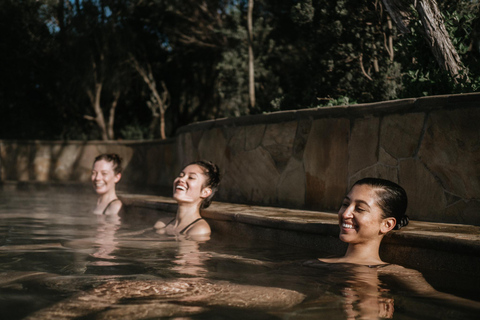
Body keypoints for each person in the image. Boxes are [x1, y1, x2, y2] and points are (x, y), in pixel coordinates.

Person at [305, 177, 479, 318]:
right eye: (345, 204)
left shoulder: (394, 271)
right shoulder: (315, 263)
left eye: (360, 208)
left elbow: (435, 297)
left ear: (387, 224)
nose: (345, 213)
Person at [154, 160, 220, 237]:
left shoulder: (199, 230)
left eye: (191, 177)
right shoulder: (162, 223)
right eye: (181, 175)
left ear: (205, 192)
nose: (181, 179)